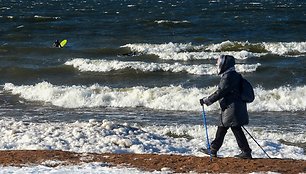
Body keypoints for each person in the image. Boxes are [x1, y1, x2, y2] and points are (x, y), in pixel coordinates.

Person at [199, 55, 252, 159]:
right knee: (225, 127)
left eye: (218, 62)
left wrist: (207, 100)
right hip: (233, 107)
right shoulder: (233, 75)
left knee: (230, 128)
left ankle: (245, 152)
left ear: (225, 64)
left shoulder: (228, 76)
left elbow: (221, 92)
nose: (217, 64)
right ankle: (214, 149)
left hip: (232, 107)